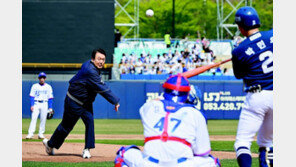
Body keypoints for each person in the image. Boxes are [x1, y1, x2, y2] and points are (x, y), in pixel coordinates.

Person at [114, 74, 221, 167]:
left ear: (165, 89)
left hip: (149, 164)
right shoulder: (196, 114)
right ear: (187, 94)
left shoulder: (149, 107)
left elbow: (158, 101)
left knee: (123, 153)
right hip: (182, 165)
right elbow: (202, 152)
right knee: (212, 162)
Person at [42, 48, 120, 159]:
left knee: (89, 122)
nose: (101, 62)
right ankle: (50, 144)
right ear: (93, 59)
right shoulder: (90, 70)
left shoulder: (93, 67)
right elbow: (102, 88)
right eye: (99, 59)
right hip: (74, 101)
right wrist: (115, 101)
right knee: (66, 127)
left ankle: (87, 149)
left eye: (103, 59)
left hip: (85, 103)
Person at [231, 6, 273, 167]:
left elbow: (239, 75)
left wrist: (240, 55)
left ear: (240, 27)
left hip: (257, 96)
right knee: (267, 143)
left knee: (242, 142)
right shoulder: (274, 35)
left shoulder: (239, 50)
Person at [26, 72, 54, 139]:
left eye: (43, 77)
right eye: (41, 77)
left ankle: (41, 134)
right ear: (39, 78)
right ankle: (30, 134)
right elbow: (32, 96)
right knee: (33, 118)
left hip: (45, 103)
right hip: (36, 103)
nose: (42, 79)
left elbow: (50, 97)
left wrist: (50, 108)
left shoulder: (48, 87)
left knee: (43, 119)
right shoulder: (34, 86)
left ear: (45, 78)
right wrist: (32, 105)